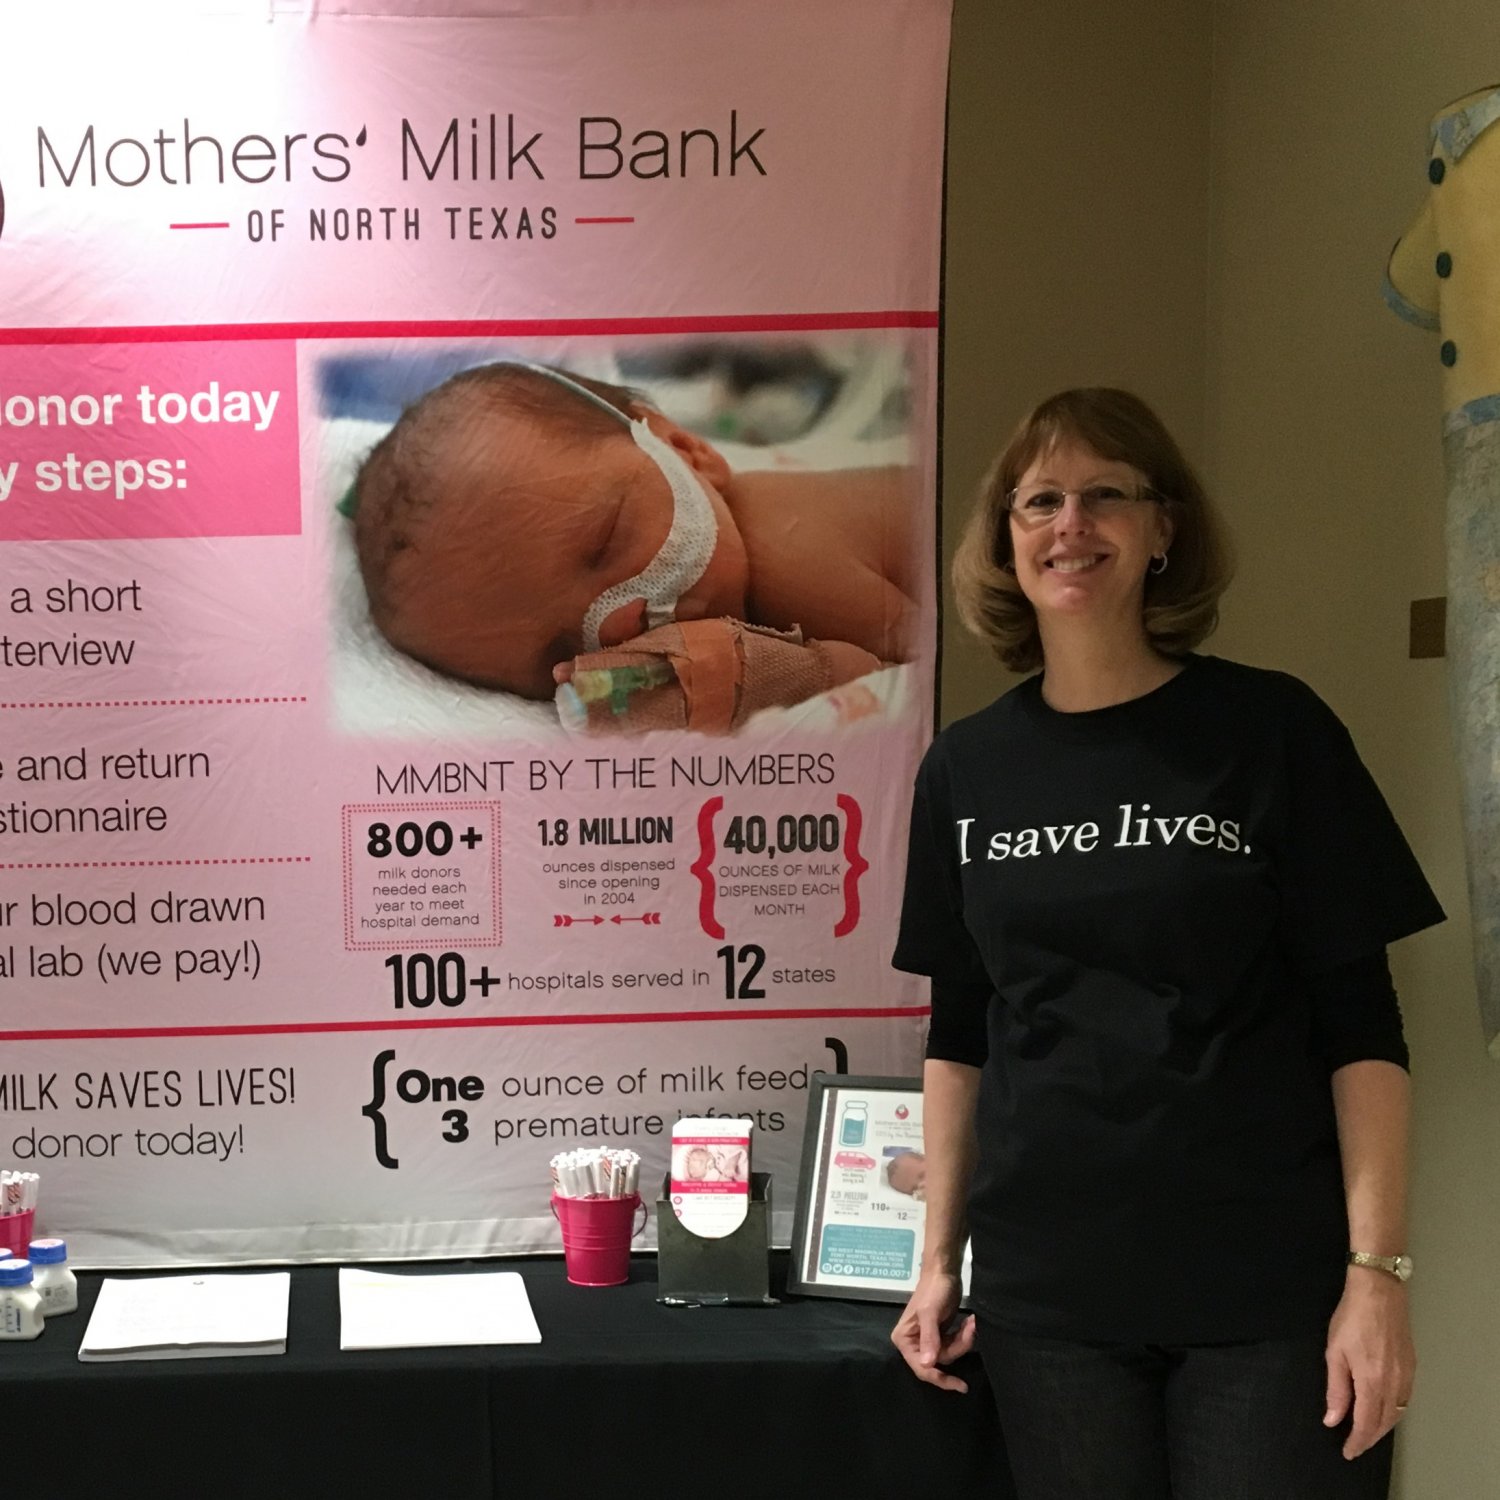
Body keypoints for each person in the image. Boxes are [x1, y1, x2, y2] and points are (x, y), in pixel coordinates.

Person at [889, 388, 1443, 1499]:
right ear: (1006, 539)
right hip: (1052, 1301)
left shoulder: (1273, 732)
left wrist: (1376, 1279)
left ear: (1163, 531)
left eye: (1106, 496)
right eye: (1039, 500)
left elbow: (1363, 1026)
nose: (1069, 525)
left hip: (1264, 1299)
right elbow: (962, 1032)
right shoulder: (967, 767)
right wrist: (935, 1260)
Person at [349, 361, 918, 731]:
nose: (616, 626)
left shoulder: (785, 552)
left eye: (605, 542)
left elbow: (929, 690)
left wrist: (808, 674)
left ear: (687, 451)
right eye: (558, 652)